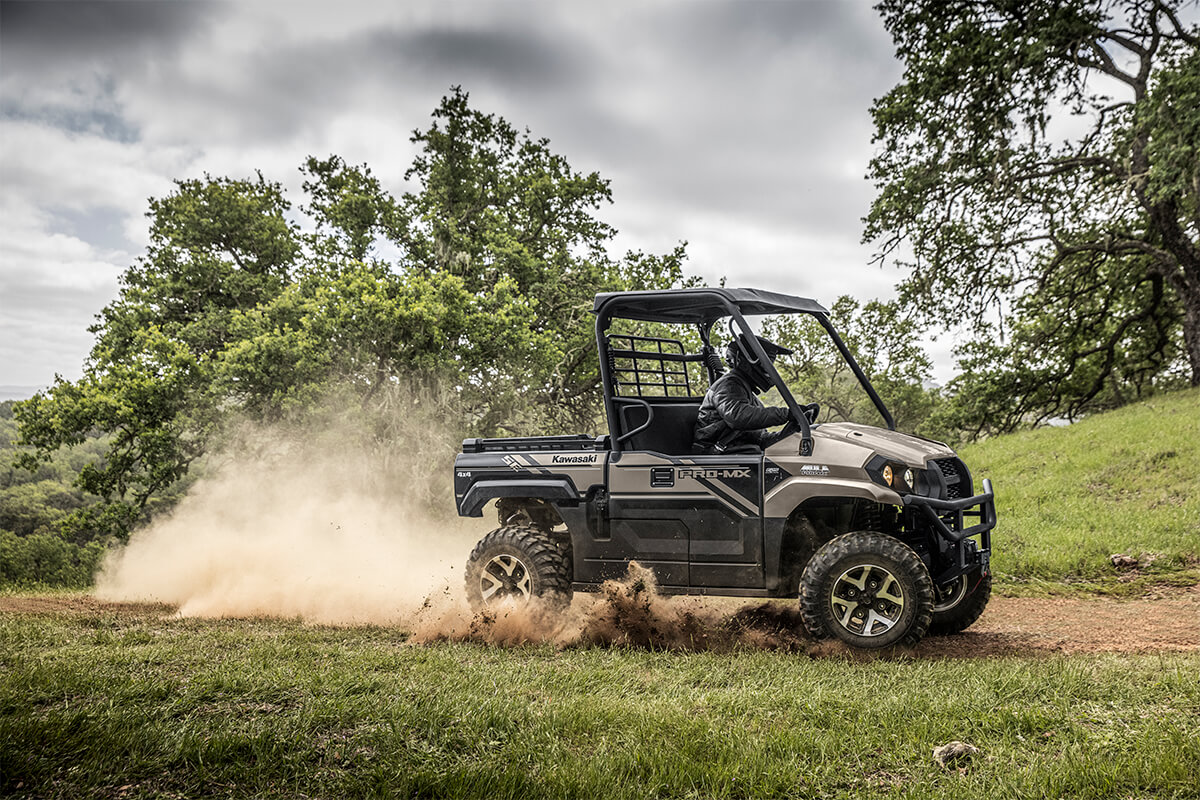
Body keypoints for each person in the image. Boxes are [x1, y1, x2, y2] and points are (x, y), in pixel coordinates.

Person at [693, 333, 797, 454]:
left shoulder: (746, 391)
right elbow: (738, 417)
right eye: (765, 365)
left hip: (737, 449)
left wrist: (789, 431)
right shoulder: (728, 386)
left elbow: (760, 438)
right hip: (715, 452)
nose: (769, 371)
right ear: (745, 360)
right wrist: (786, 414)